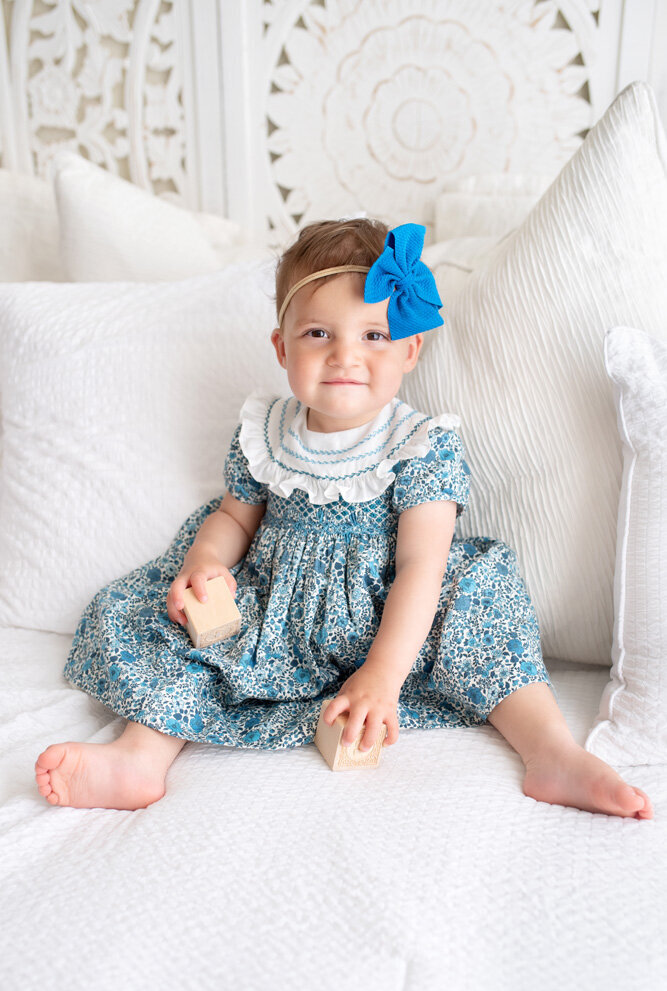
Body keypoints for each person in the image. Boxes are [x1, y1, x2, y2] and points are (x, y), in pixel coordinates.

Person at [35, 219, 653, 820]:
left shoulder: (419, 444)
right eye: (317, 334)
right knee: (174, 628)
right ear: (282, 347)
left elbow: (421, 564)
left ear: (410, 348)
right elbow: (234, 517)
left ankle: (551, 752)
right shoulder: (265, 433)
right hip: (276, 614)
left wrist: (383, 673)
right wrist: (206, 562)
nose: (344, 356)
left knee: (482, 600)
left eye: (372, 336)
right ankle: (138, 758)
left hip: (392, 619)